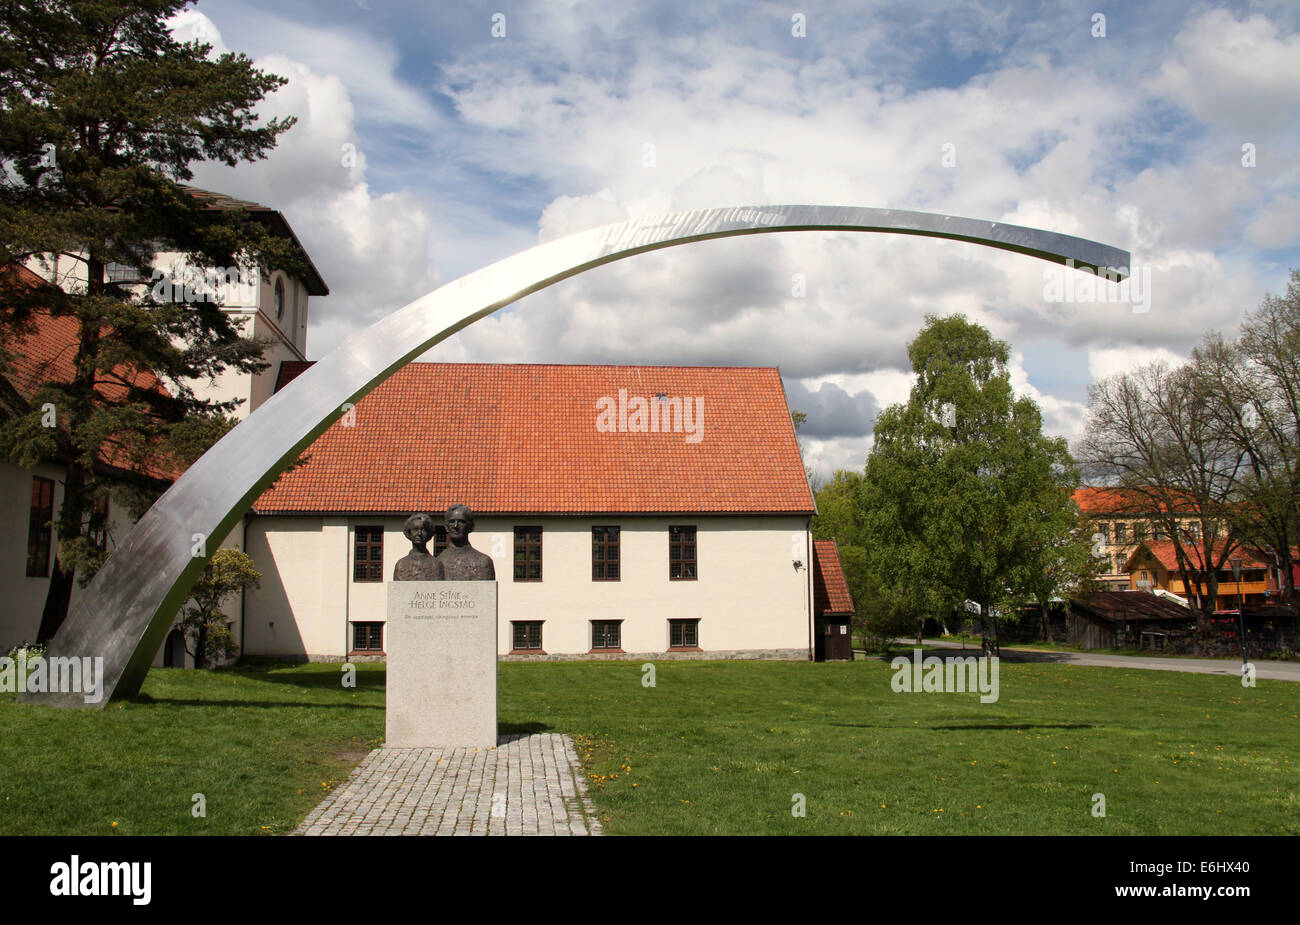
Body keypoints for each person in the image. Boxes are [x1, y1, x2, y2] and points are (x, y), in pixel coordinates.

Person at [436, 504, 496, 580]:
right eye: (452, 521)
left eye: (461, 522)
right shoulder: (438, 562)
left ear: (471, 527)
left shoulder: (483, 562)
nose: (455, 526)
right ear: (446, 527)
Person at [392, 512, 445, 581]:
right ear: (409, 533)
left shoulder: (436, 565)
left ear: (429, 533)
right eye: (415, 529)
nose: (419, 533)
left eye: (423, 530)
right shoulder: (401, 565)